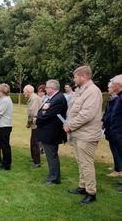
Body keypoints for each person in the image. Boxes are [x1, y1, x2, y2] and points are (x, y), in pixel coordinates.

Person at [64, 65, 102, 204]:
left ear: (84, 76)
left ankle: (91, 193)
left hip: (87, 135)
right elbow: (73, 110)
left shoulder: (93, 91)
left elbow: (87, 114)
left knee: (86, 164)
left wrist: (70, 125)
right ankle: (82, 186)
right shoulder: (80, 91)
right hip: (78, 134)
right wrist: (68, 122)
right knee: (80, 162)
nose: (74, 79)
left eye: (75, 77)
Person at [35, 80, 67, 184]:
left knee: (51, 155)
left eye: (47, 87)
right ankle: (52, 175)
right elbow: (42, 111)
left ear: (52, 88)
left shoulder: (58, 99)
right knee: (50, 155)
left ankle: (54, 178)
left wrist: (37, 119)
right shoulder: (53, 98)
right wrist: (40, 116)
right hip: (48, 131)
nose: (45, 89)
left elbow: (48, 114)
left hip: (52, 132)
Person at [102, 81, 121, 177]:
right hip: (110, 128)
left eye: (109, 88)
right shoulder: (112, 99)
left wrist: (104, 122)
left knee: (116, 150)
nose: (108, 89)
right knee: (114, 149)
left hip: (113, 128)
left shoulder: (117, 99)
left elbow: (111, 114)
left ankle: (118, 170)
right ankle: (117, 166)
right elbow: (107, 113)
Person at [23, 85, 42, 169]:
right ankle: (34, 158)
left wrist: (28, 123)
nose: (24, 94)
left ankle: (37, 162)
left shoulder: (34, 99)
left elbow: (33, 114)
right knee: (33, 142)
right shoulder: (33, 98)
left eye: (24, 92)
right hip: (35, 124)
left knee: (35, 143)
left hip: (36, 125)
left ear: (28, 91)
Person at [110, 74, 122, 192]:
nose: (111, 86)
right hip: (117, 132)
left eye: (113, 83)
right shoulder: (119, 97)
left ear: (119, 85)